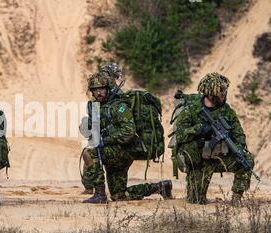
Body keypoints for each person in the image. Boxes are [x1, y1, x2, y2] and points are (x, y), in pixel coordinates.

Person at [81, 72, 172, 203]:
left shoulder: (119, 106)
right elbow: (96, 128)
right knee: (119, 196)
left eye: (101, 89)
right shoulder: (95, 106)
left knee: (89, 152)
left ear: (108, 89)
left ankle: (99, 194)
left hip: (126, 149)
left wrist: (104, 140)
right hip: (116, 150)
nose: (98, 93)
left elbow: (128, 132)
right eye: (95, 90)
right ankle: (160, 187)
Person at [175, 72, 254, 204]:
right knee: (195, 201)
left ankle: (236, 199)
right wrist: (200, 129)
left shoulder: (226, 110)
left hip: (220, 158)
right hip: (199, 161)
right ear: (211, 93)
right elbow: (180, 135)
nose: (224, 95)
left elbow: (239, 133)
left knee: (246, 159)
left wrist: (238, 148)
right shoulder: (192, 109)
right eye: (221, 93)